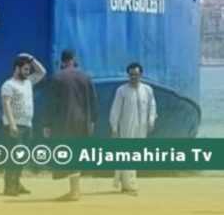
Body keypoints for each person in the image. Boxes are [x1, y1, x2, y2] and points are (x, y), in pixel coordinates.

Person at [42, 49, 99, 201]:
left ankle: (74, 192)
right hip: (82, 122)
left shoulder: (57, 77)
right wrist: (93, 121)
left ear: (62, 61)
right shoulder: (85, 77)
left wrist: (47, 124)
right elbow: (93, 100)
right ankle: (75, 190)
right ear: (74, 59)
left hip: (63, 123)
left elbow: (51, 103)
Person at [1, 53, 46, 196]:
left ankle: (17, 183)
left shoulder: (28, 82)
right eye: (25, 69)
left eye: (29, 70)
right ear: (17, 68)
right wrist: (12, 124)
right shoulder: (8, 85)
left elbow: (42, 72)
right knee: (13, 157)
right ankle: (9, 187)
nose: (28, 72)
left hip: (27, 125)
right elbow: (6, 104)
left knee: (22, 157)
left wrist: (31, 59)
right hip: (15, 126)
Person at [109, 62, 157, 196]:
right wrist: (114, 127)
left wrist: (151, 121)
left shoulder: (147, 90)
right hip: (127, 127)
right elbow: (115, 110)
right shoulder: (122, 90)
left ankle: (125, 183)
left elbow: (152, 106)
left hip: (141, 128)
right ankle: (130, 185)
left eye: (136, 74)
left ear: (141, 74)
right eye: (131, 75)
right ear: (128, 75)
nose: (133, 77)